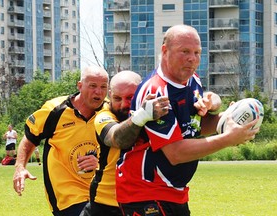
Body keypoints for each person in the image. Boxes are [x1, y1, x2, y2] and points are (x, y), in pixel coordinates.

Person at [115, 24, 260, 216]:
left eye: (197, 52)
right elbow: (175, 153)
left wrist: (225, 120)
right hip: (143, 192)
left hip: (174, 191)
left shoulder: (193, 81)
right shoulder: (156, 92)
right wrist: (228, 139)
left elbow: (193, 128)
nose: (192, 58)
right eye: (184, 51)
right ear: (165, 51)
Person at [13, 65, 109, 216]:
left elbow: (120, 152)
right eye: (93, 86)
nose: (98, 92)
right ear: (80, 86)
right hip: (67, 197)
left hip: (101, 192)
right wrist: (20, 167)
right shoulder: (55, 110)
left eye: (103, 87)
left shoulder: (109, 113)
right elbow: (30, 138)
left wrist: (99, 163)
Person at [83, 71, 170, 216]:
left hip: (145, 199)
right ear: (109, 95)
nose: (124, 104)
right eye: (117, 98)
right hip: (106, 203)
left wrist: (211, 102)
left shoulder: (153, 108)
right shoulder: (103, 116)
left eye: (130, 97)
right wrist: (142, 116)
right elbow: (118, 139)